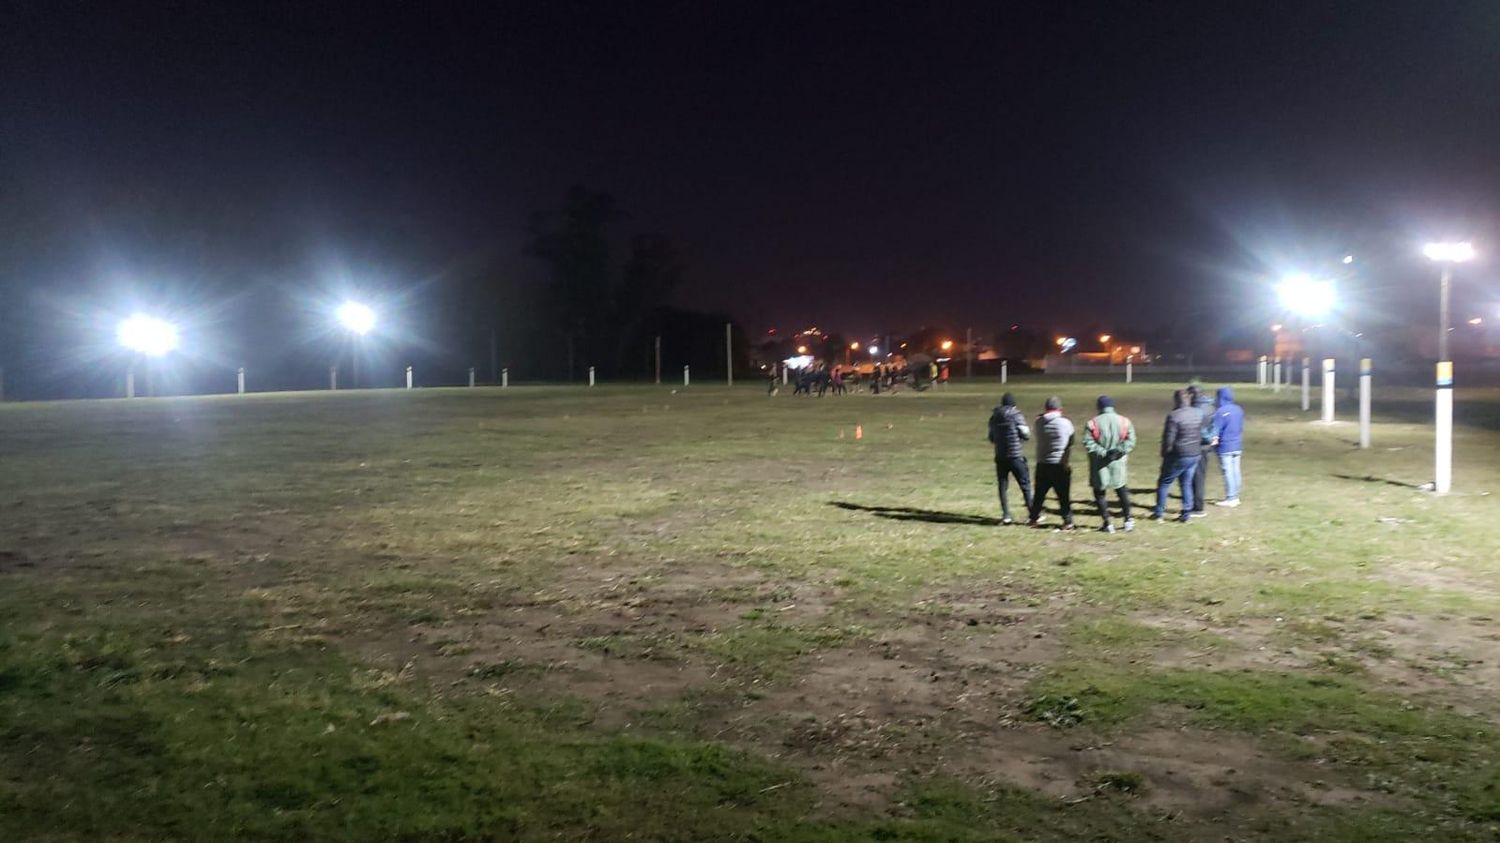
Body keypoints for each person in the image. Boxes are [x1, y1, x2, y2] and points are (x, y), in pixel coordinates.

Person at [1082, 395, 1136, 533]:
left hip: (1100, 465)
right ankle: (1128, 520)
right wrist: (1119, 451)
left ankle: (1107, 523)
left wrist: (1103, 452)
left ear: (1099, 407)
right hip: (1118, 463)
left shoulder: (1092, 423)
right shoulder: (1125, 421)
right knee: (1122, 490)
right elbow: (1131, 441)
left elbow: (1088, 443)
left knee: (1099, 493)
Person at [1152, 389, 1203, 523]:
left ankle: (1159, 513)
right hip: (1195, 453)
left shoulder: (1174, 416)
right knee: (1186, 483)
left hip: (1179, 454)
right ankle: (1186, 513)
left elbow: (1169, 438)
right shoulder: (1197, 413)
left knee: (1164, 482)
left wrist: (1164, 453)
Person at [1029, 395, 1075, 529]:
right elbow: (1070, 442)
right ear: (1060, 409)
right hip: (1059, 463)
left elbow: (1039, 420)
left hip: (1042, 463)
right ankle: (1068, 520)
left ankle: (1033, 519)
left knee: (1039, 495)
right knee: (1063, 495)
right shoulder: (1065, 423)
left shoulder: (1039, 423)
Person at [987, 392, 1032, 525]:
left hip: (1000, 456)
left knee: (1003, 486)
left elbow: (991, 437)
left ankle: (1006, 514)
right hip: (1016, 455)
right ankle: (1033, 512)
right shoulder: (1016, 415)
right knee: (1025, 485)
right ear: (1013, 404)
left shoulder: (994, 417)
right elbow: (1026, 434)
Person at [1211, 386, 1245, 506]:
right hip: (1237, 444)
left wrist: (1213, 441)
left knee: (1228, 471)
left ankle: (1231, 498)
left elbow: (1216, 430)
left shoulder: (1220, 412)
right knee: (1236, 470)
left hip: (1225, 446)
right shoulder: (1238, 409)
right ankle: (1236, 495)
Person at [1186, 382, 1214, 518]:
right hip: (1206, 447)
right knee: (1199, 476)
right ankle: (1194, 503)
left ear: (1192, 394)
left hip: (1198, 445)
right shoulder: (1210, 406)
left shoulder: (1197, 409)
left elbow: (1199, 429)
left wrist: (1206, 437)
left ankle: (1197, 508)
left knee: (1196, 477)